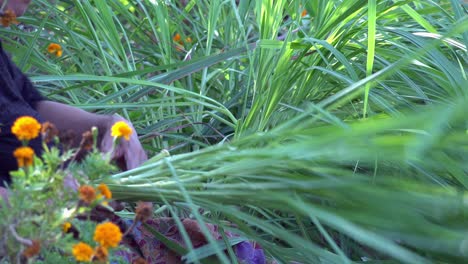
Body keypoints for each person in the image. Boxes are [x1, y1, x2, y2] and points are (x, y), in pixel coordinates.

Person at [0, 1, 266, 263]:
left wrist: (107, 126)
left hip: (64, 220)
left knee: (217, 245)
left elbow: (30, 105)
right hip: (25, 237)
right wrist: (39, 201)